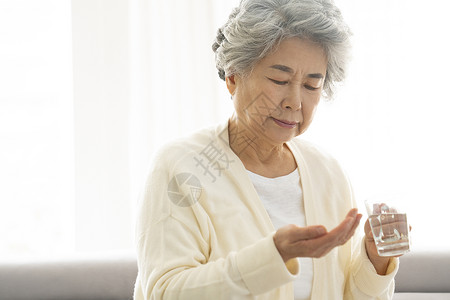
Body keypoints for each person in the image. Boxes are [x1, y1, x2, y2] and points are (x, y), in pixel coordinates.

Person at [133, 0, 400, 299]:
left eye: (312, 85)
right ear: (233, 77)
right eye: (279, 80)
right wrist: (273, 256)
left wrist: (376, 261)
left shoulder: (328, 172)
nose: (295, 102)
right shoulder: (181, 167)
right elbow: (165, 292)